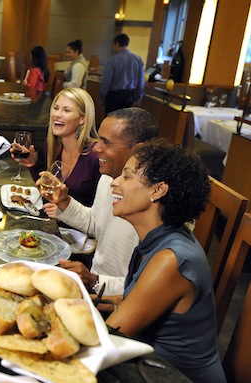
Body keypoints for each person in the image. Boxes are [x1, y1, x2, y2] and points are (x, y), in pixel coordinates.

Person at [106, 140, 225, 383]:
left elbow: (110, 336)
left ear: (158, 190)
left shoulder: (171, 260)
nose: (114, 182)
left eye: (126, 177)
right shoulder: (158, 239)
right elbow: (133, 301)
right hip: (149, 367)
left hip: (173, 376)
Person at [40, 107, 159, 296]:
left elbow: (151, 292)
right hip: (94, 284)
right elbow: (97, 223)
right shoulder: (108, 178)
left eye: (106, 142)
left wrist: (94, 282)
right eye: (98, 139)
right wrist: (64, 202)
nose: (96, 148)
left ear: (139, 150)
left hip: (116, 299)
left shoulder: (154, 205)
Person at [17, 87, 100, 207]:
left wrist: (64, 211)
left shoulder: (95, 155)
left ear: (82, 118)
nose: (57, 115)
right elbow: (48, 190)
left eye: (66, 110)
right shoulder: (52, 145)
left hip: (76, 225)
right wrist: (32, 163)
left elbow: (103, 212)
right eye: (56, 108)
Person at [99, 33, 145, 116]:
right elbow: (141, 82)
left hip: (114, 97)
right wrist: (138, 98)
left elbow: (106, 81)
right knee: (126, 122)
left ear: (117, 43)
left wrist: (102, 97)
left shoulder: (112, 60)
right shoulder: (138, 59)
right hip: (130, 96)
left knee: (111, 121)